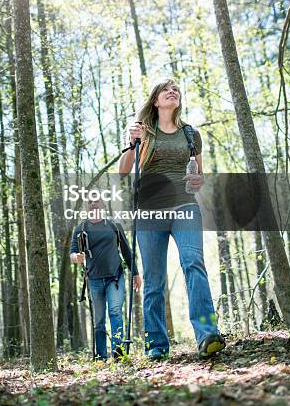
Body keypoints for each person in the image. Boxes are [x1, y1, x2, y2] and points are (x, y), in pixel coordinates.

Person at [119, 79, 225, 361]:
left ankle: (207, 334)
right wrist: (131, 143)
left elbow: (198, 177)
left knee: (194, 263)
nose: (172, 92)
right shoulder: (143, 132)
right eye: (166, 90)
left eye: (176, 89)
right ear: (156, 100)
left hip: (185, 207)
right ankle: (156, 346)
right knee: (154, 279)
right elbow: (123, 170)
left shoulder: (191, 134)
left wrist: (197, 180)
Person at [70, 198, 142, 361]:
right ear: (86, 207)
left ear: (103, 205)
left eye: (97, 201)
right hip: (93, 280)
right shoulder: (80, 229)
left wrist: (135, 273)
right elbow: (72, 253)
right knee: (99, 319)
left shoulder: (114, 225)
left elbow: (126, 251)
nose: (93, 204)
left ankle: (118, 353)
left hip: (115, 278)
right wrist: (77, 258)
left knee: (115, 312)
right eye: (89, 202)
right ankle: (100, 356)